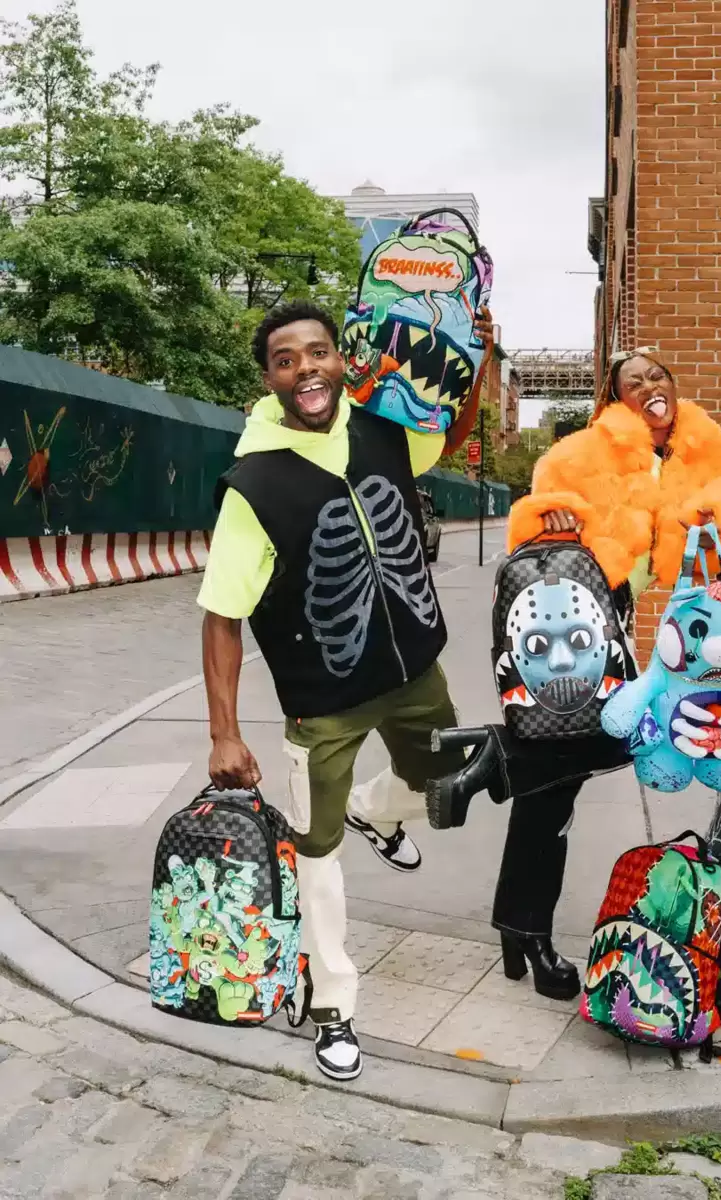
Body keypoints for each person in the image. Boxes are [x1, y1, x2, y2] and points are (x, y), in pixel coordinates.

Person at [198, 300, 492, 1081]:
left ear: (339, 360)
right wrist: (224, 733)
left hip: (413, 673)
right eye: (286, 360)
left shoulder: (383, 428)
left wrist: (478, 361)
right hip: (321, 703)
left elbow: (448, 435)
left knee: (444, 785)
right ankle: (332, 1002)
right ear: (271, 379)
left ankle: (375, 808)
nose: (306, 369)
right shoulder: (252, 484)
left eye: (317, 352)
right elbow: (222, 617)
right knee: (315, 851)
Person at [428, 347, 721, 1001]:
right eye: (633, 381)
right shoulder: (587, 452)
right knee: (601, 748)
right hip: (578, 619)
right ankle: (526, 919)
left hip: (625, 619)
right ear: (615, 400)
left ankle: (518, 896)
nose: (649, 385)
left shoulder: (699, 450)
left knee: (554, 778)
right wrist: (549, 514)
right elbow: (538, 522)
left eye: (657, 374)